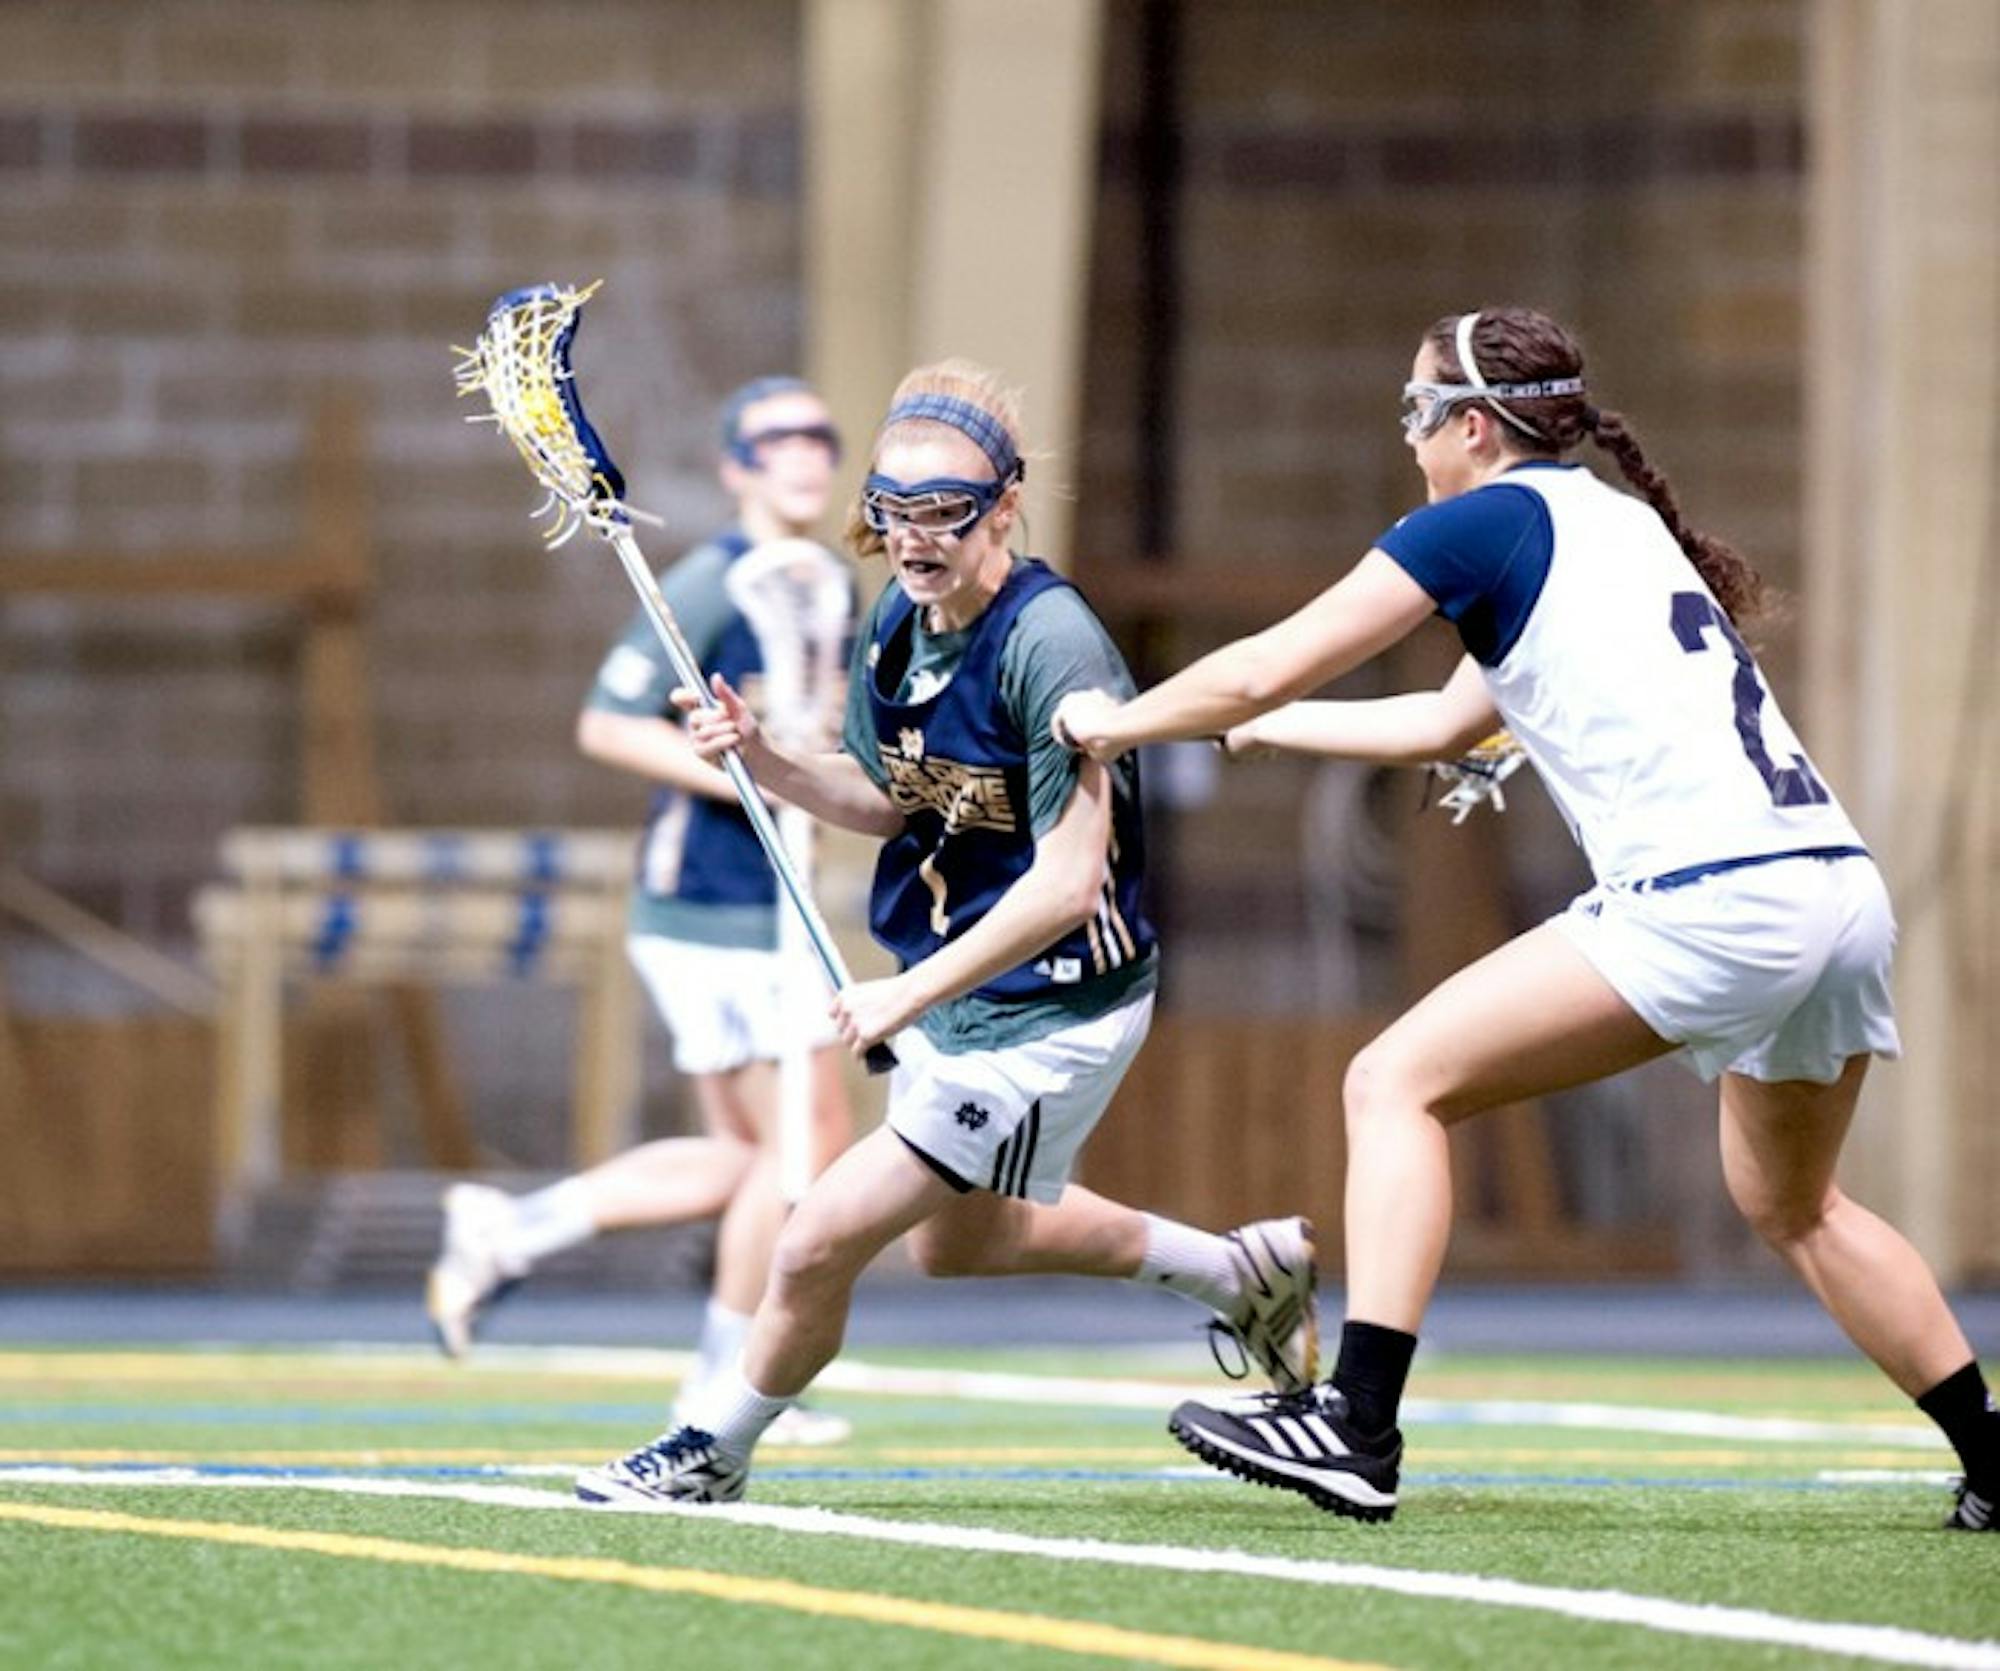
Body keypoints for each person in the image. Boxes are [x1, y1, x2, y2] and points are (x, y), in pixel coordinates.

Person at [1051, 307, 1999, 1531]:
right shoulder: (1611, 522)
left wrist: (1114, 723)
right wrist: (1268, 733)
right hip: (1832, 892)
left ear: (1472, 427)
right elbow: (1446, 724)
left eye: (1415, 411)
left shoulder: (1479, 523)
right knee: (1795, 1205)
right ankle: (1991, 1453)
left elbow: (1260, 664)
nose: (1408, 439)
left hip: (1710, 898)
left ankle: (1356, 1425)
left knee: (1394, 1083)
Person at [572, 359, 1319, 1506]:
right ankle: (1237, 1274)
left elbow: (1066, 887)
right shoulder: (897, 620)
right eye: (892, 510)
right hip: (962, 987)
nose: (913, 538)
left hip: (1054, 1003)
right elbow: (884, 799)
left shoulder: (1048, 643)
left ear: (1002, 507)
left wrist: (901, 996)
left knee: (815, 1236)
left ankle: (710, 1448)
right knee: (961, 1244)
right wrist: (765, 759)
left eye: (942, 512)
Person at [427, 376, 860, 1445]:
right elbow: (609, 724)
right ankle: (727, 1386)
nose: (805, 453)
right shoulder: (710, 581)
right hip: (711, 901)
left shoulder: (830, 581)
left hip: (775, 900)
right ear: (736, 466)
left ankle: (511, 1229)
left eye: (819, 436)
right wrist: (748, 777)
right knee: (804, 1148)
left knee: (749, 1164)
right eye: (778, 439)